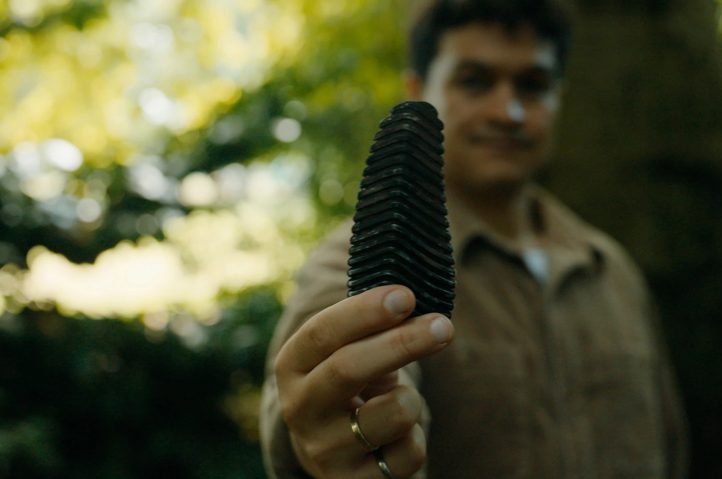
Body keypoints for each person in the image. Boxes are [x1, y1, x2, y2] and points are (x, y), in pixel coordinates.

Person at [260, 1, 688, 478]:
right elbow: (308, 422)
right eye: (475, 80)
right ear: (418, 92)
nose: (508, 111)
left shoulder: (612, 269)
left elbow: (670, 446)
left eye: (533, 85)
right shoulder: (352, 262)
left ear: (559, 97)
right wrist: (322, 441)